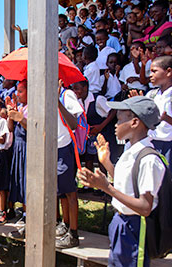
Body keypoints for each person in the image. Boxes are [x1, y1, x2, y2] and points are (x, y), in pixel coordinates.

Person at [77, 96, 164, 267]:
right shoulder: (131, 150)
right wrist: (106, 162)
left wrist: (107, 187)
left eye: (119, 120)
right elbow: (127, 184)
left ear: (134, 123)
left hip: (136, 226)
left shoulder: (148, 159)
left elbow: (145, 207)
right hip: (121, 222)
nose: (115, 125)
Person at [56, 80, 83, 249]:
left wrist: (57, 101)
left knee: (70, 192)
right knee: (61, 193)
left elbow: (74, 123)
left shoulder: (67, 95)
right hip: (52, 147)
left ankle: (74, 233)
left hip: (65, 147)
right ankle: (65, 224)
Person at [7, 80, 28, 238]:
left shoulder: (32, 107)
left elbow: (33, 127)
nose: (18, 94)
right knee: (20, 182)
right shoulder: (20, 107)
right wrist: (11, 113)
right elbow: (10, 128)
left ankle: (29, 218)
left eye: (21, 91)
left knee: (27, 183)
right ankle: (24, 214)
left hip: (28, 148)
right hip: (18, 147)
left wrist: (20, 117)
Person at [146, 56, 172, 168]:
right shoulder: (152, 95)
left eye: (154, 71)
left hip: (169, 145)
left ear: (168, 72)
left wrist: (166, 119)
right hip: (153, 142)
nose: (150, 75)